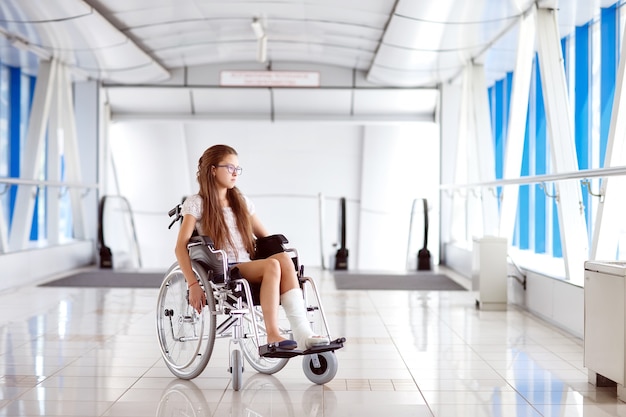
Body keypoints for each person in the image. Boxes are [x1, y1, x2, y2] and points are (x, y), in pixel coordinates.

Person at [175, 144, 329, 350]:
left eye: (237, 169)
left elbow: (266, 238)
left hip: (248, 263)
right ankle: (273, 334)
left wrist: (282, 256)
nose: (235, 173)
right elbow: (180, 247)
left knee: (282, 258)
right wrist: (193, 285)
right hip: (224, 268)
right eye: (230, 168)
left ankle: (302, 332)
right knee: (273, 265)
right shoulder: (196, 203)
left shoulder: (241, 202)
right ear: (212, 170)